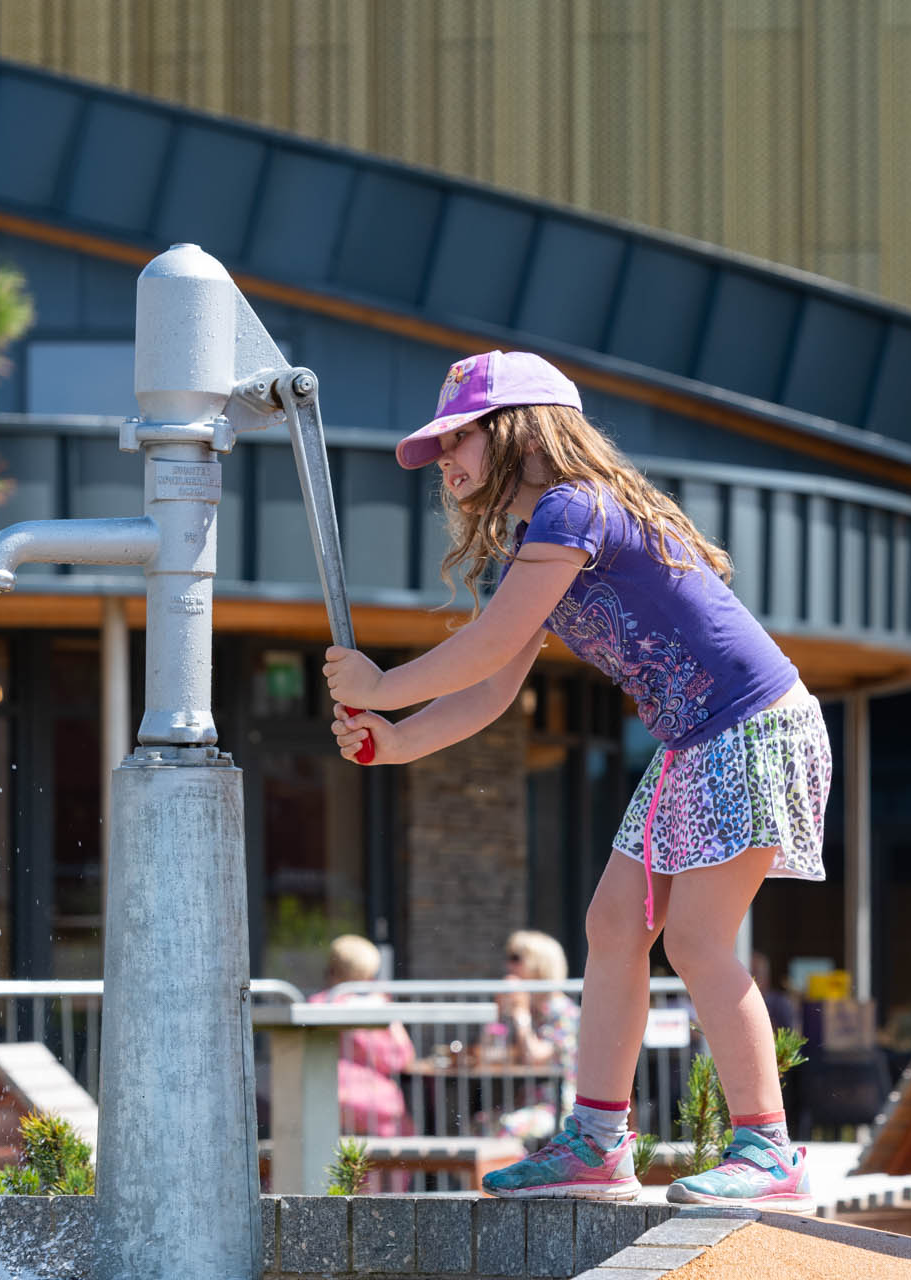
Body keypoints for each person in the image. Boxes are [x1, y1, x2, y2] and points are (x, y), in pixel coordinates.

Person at [325, 350, 832, 1206]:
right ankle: (597, 1142)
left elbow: (485, 649)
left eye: (457, 437)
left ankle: (770, 1151)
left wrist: (381, 688)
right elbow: (492, 689)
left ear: (518, 430)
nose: (443, 459)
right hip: (694, 739)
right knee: (612, 925)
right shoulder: (542, 535)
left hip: (749, 726)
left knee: (697, 940)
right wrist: (399, 741)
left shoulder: (574, 507)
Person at [305, 934, 414, 1137]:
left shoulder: (320, 1003)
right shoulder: (379, 1005)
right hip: (377, 1101)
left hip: (330, 1096)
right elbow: (403, 1057)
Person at [488, 929, 578, 1142]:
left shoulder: (561, 1011)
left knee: (505, 1129)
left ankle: (514, 1176)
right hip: (524, 1101)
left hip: (557, 1107)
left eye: (516, 959)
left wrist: (520, 1014)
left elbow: (536, 1057)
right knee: (479, 1125)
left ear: (539, 965)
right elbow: (492, 1053)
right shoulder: (531, 1008)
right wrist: (498, 1013)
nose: (509, 966)